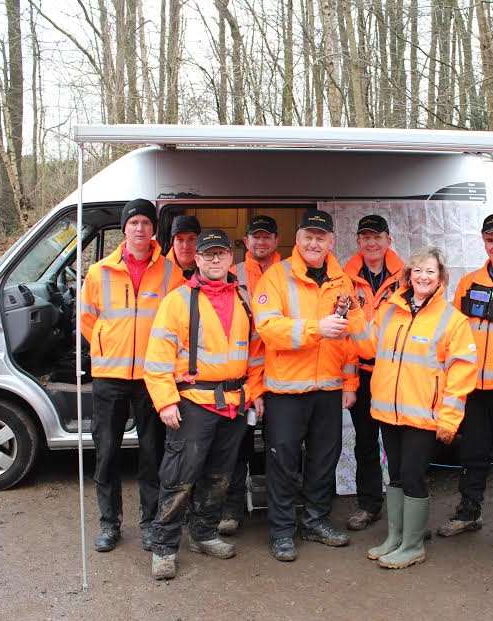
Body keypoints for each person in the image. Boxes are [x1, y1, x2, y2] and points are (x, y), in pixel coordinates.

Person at [143, 229, 265, 580]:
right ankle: (164, 546)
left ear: (231, 259)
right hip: (193, 402)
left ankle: (204, 533)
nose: (214, 260)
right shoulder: (178, 301)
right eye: (207, 254)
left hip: (234, 405)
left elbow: (256, 354)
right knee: (179, 476)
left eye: (221, 254)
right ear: (196, 259)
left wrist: (254, 393)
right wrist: (166, 402)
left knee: (219, 476)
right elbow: (158, 358)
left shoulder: (244, 298)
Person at [252, 209, 365, 562]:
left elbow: (349, 338)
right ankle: (282, 530)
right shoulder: (275, 276)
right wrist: (316, 328)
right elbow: (267, 329)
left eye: (321, 237)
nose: (314, 243)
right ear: (297, 239)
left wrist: (349, 381)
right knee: (283, 461)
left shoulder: (342, 281)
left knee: (324, 459)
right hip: (287, 389)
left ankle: (316, 520)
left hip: (329, 388)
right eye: (308, 237)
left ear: (331, 241)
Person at [357, 246, 477, 569]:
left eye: (430, 272)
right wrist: (353, 315)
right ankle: (395, 538)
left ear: (441, 278)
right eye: (418, 271)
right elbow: (367, 346)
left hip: (424, 415)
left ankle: (413, 545)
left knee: (412, 476)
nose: (423, 277)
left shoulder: (453, 320)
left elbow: (462, 373)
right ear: (408, 276)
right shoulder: (390, 311)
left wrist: (449, 419)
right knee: (394, 475)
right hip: (388, 411)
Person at [79, 198, 174, 554]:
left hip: (152, 377)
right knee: (106, 453)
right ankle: (109, 524)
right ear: (124, 228)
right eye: (133, 222)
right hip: (109, 376)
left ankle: (150, 523)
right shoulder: (99, 271)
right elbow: (87, 319)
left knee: (152, 454)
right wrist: (107, 347)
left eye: (146, 223)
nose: (140, 229)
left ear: (153, 230)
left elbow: (177, 320)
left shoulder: (168, 272)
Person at [437, 213, 493, 547]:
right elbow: (455, 332)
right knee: (472, 453)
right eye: (491, 240)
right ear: (484, 243)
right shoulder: (469, 282)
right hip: (472, 387)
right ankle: (468, 511)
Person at [218, 215, 282, 535]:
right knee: (237, 445)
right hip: (241, 375)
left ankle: (278, 510)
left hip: (283, 376)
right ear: (246, 242)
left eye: (267, 237)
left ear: (276, 240)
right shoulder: (232, 275)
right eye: (255, 237)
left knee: (279, 447)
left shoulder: (290, 275)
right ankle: (233, 510)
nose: (260, 242)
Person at [342, 214, 404, 531]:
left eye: (377, 236)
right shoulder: (345, 279)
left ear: (388, 240)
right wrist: (350, 383)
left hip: (396, 375)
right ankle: (368, 505)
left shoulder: (407, 277)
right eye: (365, 237)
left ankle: (400, 507)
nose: (371, 242)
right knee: (365, 443)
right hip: (363, 374)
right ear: (358, 242)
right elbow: (346, 337)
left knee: (396, 444)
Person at [166, 214, 201, 287]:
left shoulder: (212, 269)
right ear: (172, 243)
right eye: (180, 239)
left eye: (191, 239)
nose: (185, 246)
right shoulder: (159, 269)